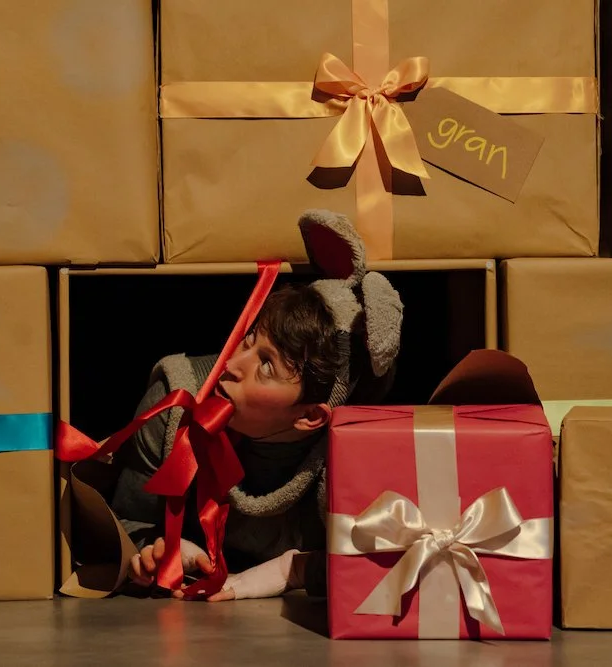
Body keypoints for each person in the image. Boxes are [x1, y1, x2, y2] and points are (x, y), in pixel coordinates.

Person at [109, 209, 404, 601]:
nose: (230, 365)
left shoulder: (349, 458)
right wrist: (151, 551)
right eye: (248, 341)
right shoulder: (174, 408)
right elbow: (122, 523)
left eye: (265, 366)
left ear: (311, 416)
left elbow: (393, 561)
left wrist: (294, 569)